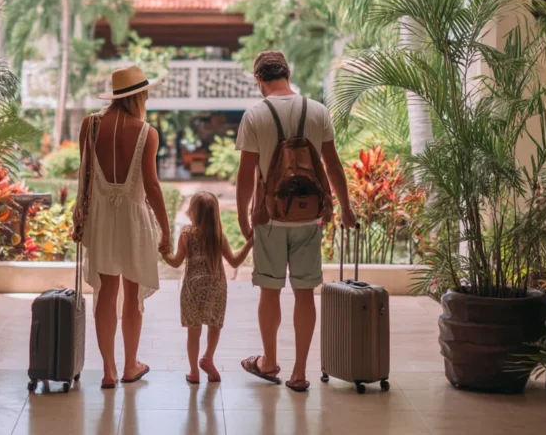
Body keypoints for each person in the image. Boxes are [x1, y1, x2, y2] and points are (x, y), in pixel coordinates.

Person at [235, 50, 357, 393]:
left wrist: (245, 219)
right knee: (305, 293)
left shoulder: (255, 115)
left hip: (269, 217)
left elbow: (245, 176)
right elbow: (333, 166)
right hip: (308, 217)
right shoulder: (317, 111)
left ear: (260, 79)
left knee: (270, 292)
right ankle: (300, 372)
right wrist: (345, 208)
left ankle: (269, 362)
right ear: (287, 73)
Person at [78, 65, 172, 389]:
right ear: (139, 95)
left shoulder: (90, 125)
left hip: (102, 219)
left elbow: (84, 177)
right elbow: (153, 186)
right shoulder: (146, 132)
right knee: (132, 295)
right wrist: (166, 229)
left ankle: (108, 370)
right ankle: (131, 365)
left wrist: (80, 215)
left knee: (106, 292)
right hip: (134, 220)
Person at [162, 192, 253, 385]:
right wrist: (249, 244)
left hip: (192, 288)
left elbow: (176, 262)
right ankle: (208, 357)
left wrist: (164, 253)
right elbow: (235, 262)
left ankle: (194, 371)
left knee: (193, 332)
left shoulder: (187, 235)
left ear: (193, 211)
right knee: (214, 323)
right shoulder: (218, 236)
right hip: (215, 286)